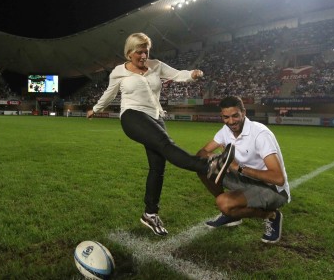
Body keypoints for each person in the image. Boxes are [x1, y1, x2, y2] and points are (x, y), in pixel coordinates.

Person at [86, 32, 234, 236]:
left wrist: (192, 74)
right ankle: (208, 165)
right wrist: (96, 108)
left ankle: (150, 213)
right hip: (132, 116)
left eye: (146, 52)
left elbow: (177, 75)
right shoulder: (118, 72)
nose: (143, 56)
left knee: (158, 167)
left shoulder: (156, 65)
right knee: (166, 145)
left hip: (155, 117)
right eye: (139, 52)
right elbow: (110, 93)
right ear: (129, 53)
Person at [196, 96, 291, 243]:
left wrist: (239, 168)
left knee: (224, 203)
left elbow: (278, 178)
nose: (231, 121)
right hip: (247, 181)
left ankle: (271, 215)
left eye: (235, 116)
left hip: (273, 189)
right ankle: (230, 213)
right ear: (222, 116)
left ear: (244, 113)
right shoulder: (225, 130)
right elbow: (201, 153)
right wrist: (215, 158)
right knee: (202, 166)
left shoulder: (260, 134)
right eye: (226, 117)